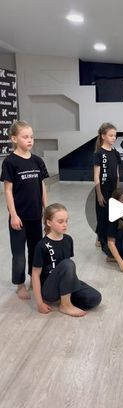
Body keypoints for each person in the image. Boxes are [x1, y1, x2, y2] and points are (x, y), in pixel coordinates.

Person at [0, 120, 49, 299]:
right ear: (14, 139)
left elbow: (42, 185)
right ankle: (19, 284)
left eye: (31, 137)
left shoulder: (37, 161)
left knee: (36, 249)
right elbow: (8, 190)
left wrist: (47, 211)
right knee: (19, 253)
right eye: (25, 137)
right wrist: (13, 215)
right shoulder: (10, 162)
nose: (30, 140)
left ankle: (34, 278)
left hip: (36, 216)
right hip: (19, 217)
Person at [32, 203, 102, 317]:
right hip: (49, 290)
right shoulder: (42, 245)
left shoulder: (68, 240)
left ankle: (65, 297)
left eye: (66, 221)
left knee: (95, 298)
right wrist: (39, 303)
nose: (65, 225)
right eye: (60, 222)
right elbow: (35, 274)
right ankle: (65, 305)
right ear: (49, 223)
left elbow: (68, 271)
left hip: (65, 283)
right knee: (68, 264)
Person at [94, 122, 121, 248]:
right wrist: (99, 193)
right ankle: (100, 238)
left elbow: (117, 172)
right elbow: (96, 176)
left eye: (115, 135)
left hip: (113, 189)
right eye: (111, 135)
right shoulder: (99, 154)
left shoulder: (115, 152)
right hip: (103, 190)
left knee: (113, 214)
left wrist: (118, 189)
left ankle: (112, 237)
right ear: (103, 136)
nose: (114, 138)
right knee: (102, 215)